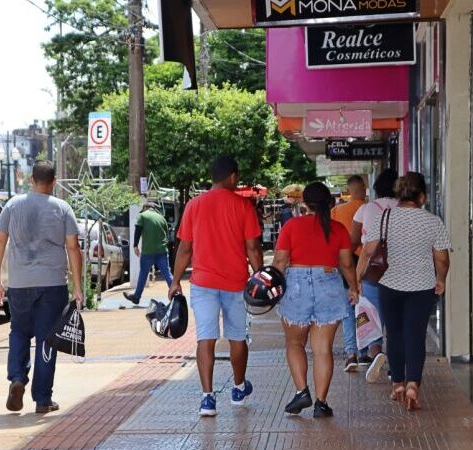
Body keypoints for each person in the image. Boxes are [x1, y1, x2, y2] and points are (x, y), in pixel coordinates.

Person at [169, 155, 264, 417]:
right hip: (235, 283)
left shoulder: (193, 205)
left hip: (203, 284)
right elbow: (253, 248)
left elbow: (185, 248)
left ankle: (207, 399)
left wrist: (175, 281)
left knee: (205, 338)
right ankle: (238, 388)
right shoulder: (243, 207)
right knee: (237, 337)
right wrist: (260, 277)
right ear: (232, 176)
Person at [0, 160, 84, 414]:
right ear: (54, 182)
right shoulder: (62, 208)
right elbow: (73, 247)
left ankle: (17, 378)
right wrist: (78, 287)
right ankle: (42, 400)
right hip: (52, 284)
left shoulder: (12, 205)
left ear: (31, 180)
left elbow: (0, 240)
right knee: (46, 340)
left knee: (19, 332)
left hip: (20, 284)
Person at [357, 172, 450, 411]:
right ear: (422, 196)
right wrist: (441, 279)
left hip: (389, 284)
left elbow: (367, 252)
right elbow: (441, 258)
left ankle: (397, 383)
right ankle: (413, 385)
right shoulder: (433, 221)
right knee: (415, 335)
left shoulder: (383, 217)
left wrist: (356, 280)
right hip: (422, 286)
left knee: (394, 334)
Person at [273, 182, 359, 417]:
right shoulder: (338, 229)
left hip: (296, 286)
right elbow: (347, 264)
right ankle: (321, 403)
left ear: (304, 203)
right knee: (323, 350)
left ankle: (302, 391)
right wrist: (354, 287)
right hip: (329, 284)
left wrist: (272, 286)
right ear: (329, 204)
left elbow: (280, 262)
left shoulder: (291, 226)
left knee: (294, 344)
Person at [351, 169, 398, 381]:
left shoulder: (366, 208)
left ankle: (376, 351)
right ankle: (395, 367)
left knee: (371, 315)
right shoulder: (405, 209)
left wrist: (356, 276)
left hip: (373, 269)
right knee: (396, 319)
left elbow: (355, 241)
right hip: (399, 270)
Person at [330, 175, 367, 372]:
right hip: (367, 265)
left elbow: (331, 240)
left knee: (348, 311)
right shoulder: (371, 209)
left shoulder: (337, 211)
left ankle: (351, 352)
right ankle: (365, 350)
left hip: (344, 265)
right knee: (364, 310)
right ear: (364, 187)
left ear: (348, 189)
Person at [123, 202, 172, 305]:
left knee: (143, 274)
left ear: (145, 207)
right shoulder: (161, 218)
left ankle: (136, 297)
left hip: (148, 251)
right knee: (167, 273)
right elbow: (167, 235)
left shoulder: (142, 216)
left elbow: (138, 230)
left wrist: (135, 245)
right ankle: (176, 294)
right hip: (162, 251)